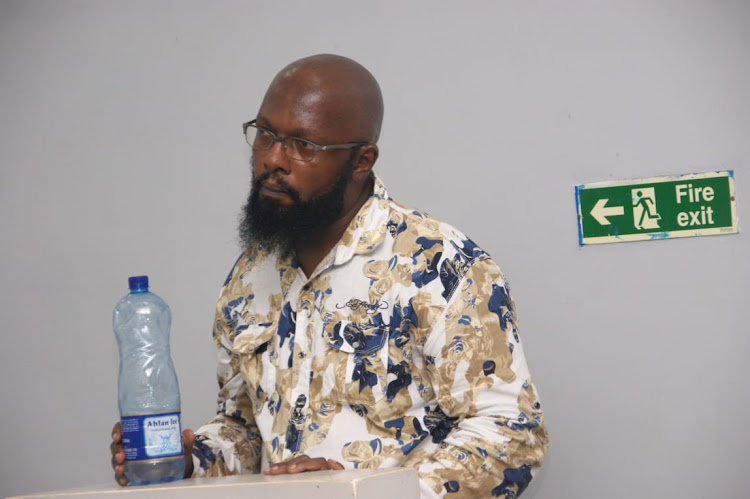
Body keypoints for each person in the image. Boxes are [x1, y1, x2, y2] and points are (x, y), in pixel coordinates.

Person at [111, 54, 548, 498]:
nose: (273, 159)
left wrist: (362, 493)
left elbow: (511, 433)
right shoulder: (249, 277)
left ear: (362, 160)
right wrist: (189, 462)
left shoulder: (438, 265)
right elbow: (245, 428)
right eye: (265, 134)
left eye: (303, 145)